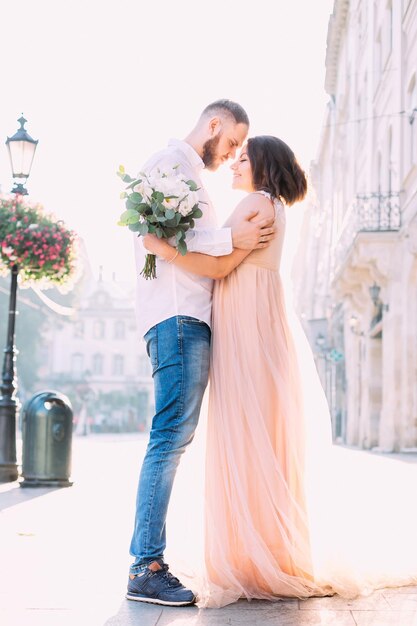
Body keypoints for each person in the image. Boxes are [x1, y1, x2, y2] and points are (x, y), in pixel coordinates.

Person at [143, 135, 417, 607]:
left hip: (247, 323)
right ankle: (265, 553)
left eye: (243, 157)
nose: (233, 162)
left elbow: (220, 262)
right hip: (254, 320)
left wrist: (162, 248)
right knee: (261, 438)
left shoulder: (256, 203)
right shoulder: (269, 204)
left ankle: (255, 560)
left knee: (245, 435)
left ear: (263, 166)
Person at [126, 100, 276, 607]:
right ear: (213, 125)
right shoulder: (169, 167)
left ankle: (148, 560)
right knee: (170, 435)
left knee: (174, 434)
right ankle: (145, 565)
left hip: (185, 318)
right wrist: (236, 237)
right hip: (177, 318)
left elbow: (182, 244)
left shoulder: (189, 176)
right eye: (232, 142)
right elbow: (172, 241)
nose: (233, 152)